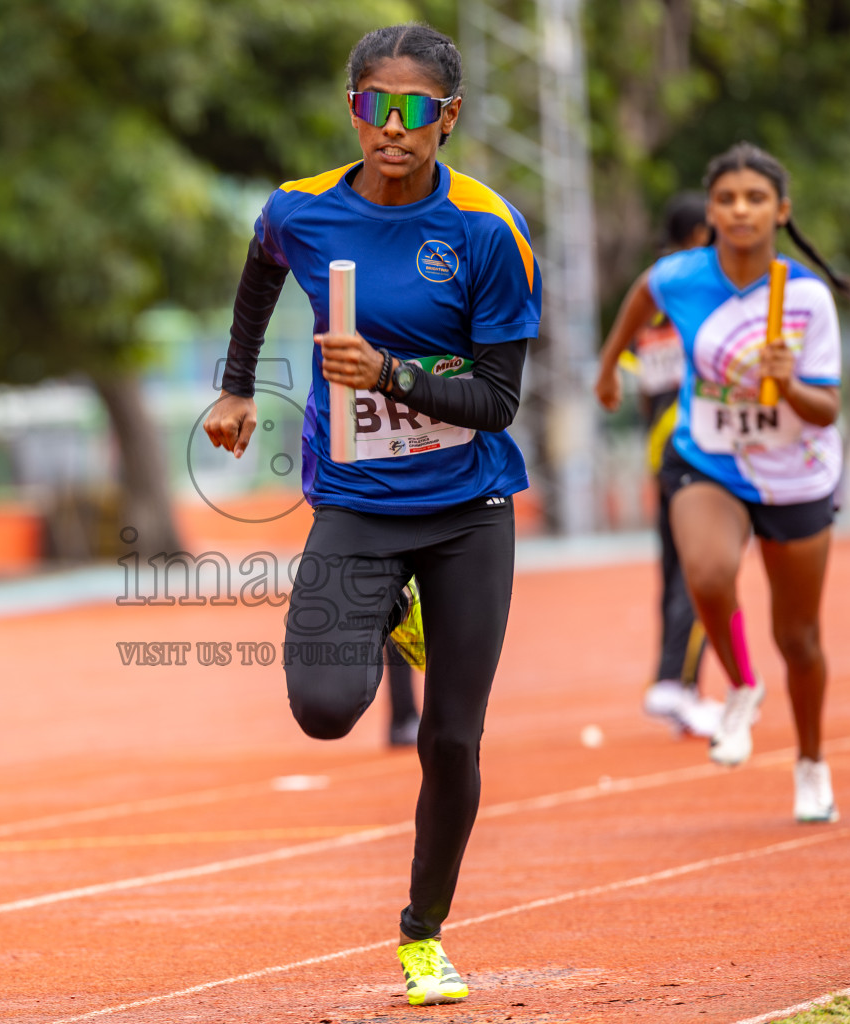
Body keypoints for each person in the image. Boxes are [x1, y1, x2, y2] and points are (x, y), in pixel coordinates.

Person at [203, 22, 538, 1006]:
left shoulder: (487, 231)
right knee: (322, 709)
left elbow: (498, 401)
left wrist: (389, 373)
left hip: (468, 507)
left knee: (450, 740)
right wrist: (233, 388)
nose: (392, 128)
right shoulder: (301, 212)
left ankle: (423, 933)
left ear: (449, 119)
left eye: (415, 111)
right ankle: (394, 607)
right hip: (354, 503)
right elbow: (262, 269)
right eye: (372, 106)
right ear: (351, 107)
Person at [595, 142, 850, 824]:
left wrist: (789, 381)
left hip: (795, 473)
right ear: (711, 212)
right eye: (727, 199)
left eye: (756, 198)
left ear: (780, 211)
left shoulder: (805, 298)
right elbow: (642, 295)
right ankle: (741, 686)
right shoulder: (680, 275)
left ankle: (811, 762)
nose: (741, 210)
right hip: (707, 455)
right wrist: (606, 364)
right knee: (707, 573)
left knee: (799, 636)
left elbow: (827, 409)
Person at [623, 192, 722, 738]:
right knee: (704, 573)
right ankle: (676, 684)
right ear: (700, 234)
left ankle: (681, 686)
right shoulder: (694, 289)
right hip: (697, 446)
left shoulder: (650, 290)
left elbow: (640, 383)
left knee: (675, 577)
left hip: (660, 450)